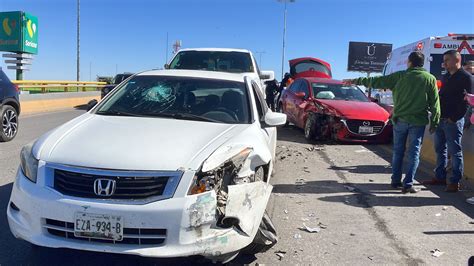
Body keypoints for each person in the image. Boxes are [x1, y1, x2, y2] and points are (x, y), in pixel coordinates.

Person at [343, 51, 440, 193]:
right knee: (414, 153)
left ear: (409, 62)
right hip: (418, 122)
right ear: (422, 63)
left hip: (400, 120)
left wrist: (354, 81)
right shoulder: (430, 78)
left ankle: (395, 181)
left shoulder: (399, 76)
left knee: (398, 152)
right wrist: (435, 122)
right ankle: (408, 184)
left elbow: (375, 81)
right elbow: (435, 103)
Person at [423, 50, 473, 192]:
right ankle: (440, 177)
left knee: (455, 152)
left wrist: (454, 119)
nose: (443, 63)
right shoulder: (446, 77)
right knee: (440, 150)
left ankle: (455, 181)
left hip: (453, 122)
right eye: (443, 60)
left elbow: (467, 102)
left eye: (446, 60)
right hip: (440, 119)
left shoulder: (466, 78)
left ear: (456, 61)